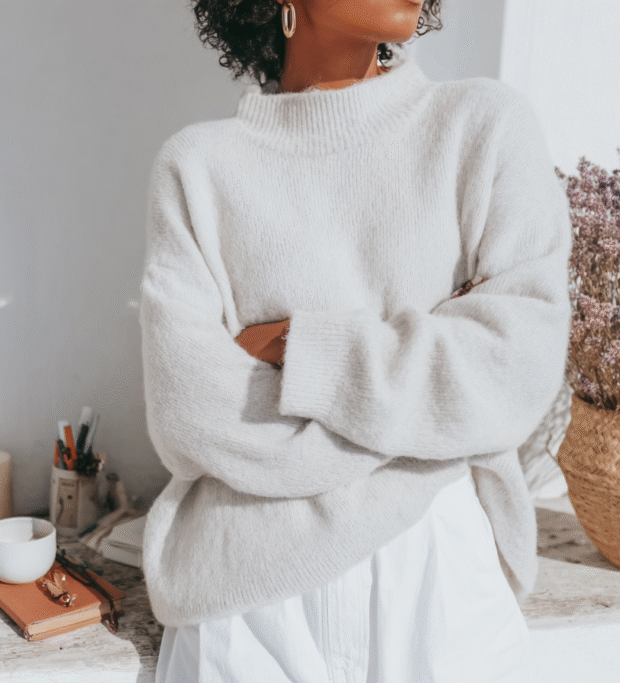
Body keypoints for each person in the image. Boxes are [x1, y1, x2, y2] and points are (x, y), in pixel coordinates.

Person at [138, 0, 572, 681]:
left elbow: (514, 367)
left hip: (438, 572)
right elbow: (189, 412)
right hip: (247, 588)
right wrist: (422, 401)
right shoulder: (198, 169)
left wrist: (299, 347)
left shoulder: (481, 128)